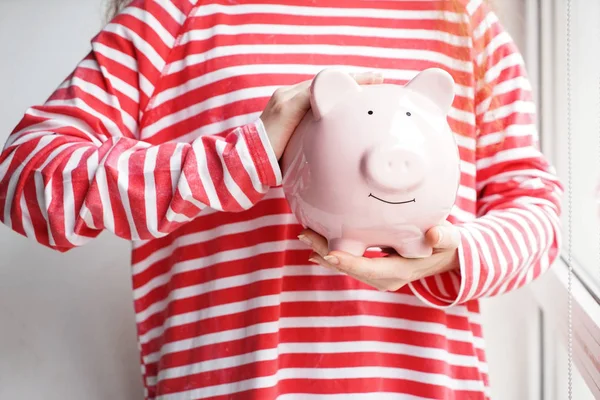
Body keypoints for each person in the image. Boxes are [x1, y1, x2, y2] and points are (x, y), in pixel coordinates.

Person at [0, 0, 562, 399]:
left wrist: (456, 253)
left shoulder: (463, 22)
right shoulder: (173, 15)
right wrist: (241, 157)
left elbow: (535, 207)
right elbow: (25, 177)